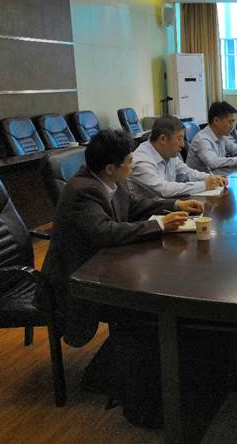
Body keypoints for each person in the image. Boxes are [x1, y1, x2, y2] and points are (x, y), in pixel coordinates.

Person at [42, 129, 204, 346]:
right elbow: (105, 231)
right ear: (111, 168)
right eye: (130, 161)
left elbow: (133, 205)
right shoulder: (83, 190)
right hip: (78, 275)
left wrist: (176, 204)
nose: (133, 165)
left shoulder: (109, 177)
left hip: (106, 260)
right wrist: (159, 225)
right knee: (152, 295)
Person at [128, 115, 226, 199]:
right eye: (179, 139)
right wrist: (204, 185)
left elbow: (188, 173)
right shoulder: (141, 160)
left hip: (165, 206)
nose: (182, 144)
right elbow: (164, 190)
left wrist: (211, 178)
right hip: (147, 213)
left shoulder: (168, 153)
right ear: (163, 139)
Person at [187, 101, 237, 173]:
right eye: (230, 122)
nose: (232, 126)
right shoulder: (202, 139)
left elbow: (236, 150)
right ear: (216, 121)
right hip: (200, 182)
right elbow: (213, 162)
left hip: (217, 177)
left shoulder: (221, 136)